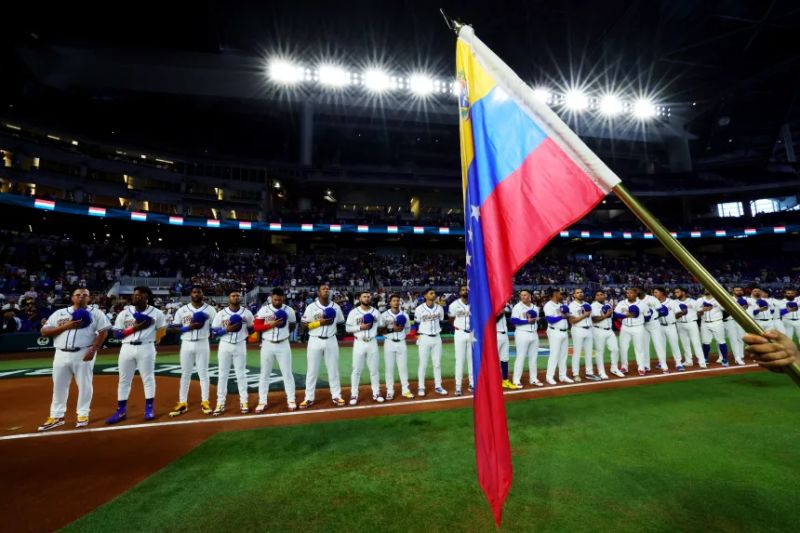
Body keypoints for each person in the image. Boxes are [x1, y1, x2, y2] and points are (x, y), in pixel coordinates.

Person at [37, 288, 111, 431]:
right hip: (60, 353)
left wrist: (93, 349)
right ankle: (56, 416)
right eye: (78, 295)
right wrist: (68, 325)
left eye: (85, 295)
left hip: (83, 352)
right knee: (59, 385)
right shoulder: (60, 313)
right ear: (72, 297)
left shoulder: (96, 313)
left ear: (89, 298)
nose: (81, 297)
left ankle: (83, 414)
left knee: (84, 384)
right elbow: (44, 331)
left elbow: (103, 332)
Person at [106, 286, 167, 424]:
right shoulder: (124, 313)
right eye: (134, 294)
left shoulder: (157, 313)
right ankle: (121, 411)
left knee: (148, 379)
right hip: (126, 347)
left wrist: (154, 339)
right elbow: (116, 334)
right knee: (124, 380)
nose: (134, 297)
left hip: (146, 347)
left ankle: (149, 409)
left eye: (138, 295)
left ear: (146, 297)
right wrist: (136, 328)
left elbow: (162, 331)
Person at [168, 286, 216, 416]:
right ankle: (183, 402)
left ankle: (205, 401)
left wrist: (212, 330)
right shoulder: (182, 310)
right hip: (186, 343)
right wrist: (188, 327)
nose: (196, 294)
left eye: (199, 292)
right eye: (194, 292)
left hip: (202, 343)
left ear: (202, 294)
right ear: (190, 294)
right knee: (185, 373)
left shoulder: (210, 310)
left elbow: (216, 327)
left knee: (203, 373)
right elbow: (173, 328)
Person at [209, 291, 255, 415]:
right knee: (223, 374)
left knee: (241, 374)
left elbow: (252, 329)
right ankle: (220, 403)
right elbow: (213, 333)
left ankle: (244, 401)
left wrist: (247, 334)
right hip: (225, 345)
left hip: (240, 345)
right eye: (233, 296)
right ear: (229, 298)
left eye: (237, 295)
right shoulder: (221, 314)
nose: (235, 297)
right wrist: (227, 329)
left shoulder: (247, 313)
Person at [300, 283, 346, 408]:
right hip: (314, 340)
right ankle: (308, 398)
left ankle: (336, 396)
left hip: (331, 340)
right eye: (323, 289)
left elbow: (342, 324)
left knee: (333, 369)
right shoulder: (311, 307)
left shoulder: (336, 307)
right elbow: (303, 325)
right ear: (318, 293)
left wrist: (338, 334)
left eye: (327, 289)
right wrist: (319, 323)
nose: (326, 290)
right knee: (312, 371)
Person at [253, 287, 298, 412]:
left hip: (283, 344)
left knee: (287, 373)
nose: (277, 302)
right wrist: (270, 325)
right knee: (264, 374)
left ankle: (291, 399)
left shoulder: (289, 310)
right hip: (267, 344)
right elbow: (256, 327)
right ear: (271, 298)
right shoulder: (264, 309)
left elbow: (293, 325)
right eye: (275, 299)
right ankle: (262, 401)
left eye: (279, 299)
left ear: (283, 298)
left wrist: (285, 333)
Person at [346, 291, 383, 405]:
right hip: (359, 342)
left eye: (368, 296)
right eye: (364, 297)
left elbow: (381, 326)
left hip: (372, 342)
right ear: (359, 298)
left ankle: (376, 393)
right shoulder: (353, 312)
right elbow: (348, 329)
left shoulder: (376, 312)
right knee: (356, 370)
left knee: (374, 370)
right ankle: (354, 394)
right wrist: (360, 327)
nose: (367, 298)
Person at [414, 288, 447, 396]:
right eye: (431, 293)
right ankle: (421, 387)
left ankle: (438, 386)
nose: (433, 295)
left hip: (437, 338)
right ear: (425, 296)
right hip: (424, 338)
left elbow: (441, 321)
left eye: (434, 293)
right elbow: (416, 324)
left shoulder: (440, 308)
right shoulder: (419, 309)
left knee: (437, 364)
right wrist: (418, 337)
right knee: (423, 364)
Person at [380, 294, 413, 400]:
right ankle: (390, 390)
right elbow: (380, 331)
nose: (396, 302)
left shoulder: (405, 315)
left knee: (403, 368)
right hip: (389, 342)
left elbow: (407, 330)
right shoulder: (384, 315)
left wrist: (399, 332)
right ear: (390, 302)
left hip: (401, 343)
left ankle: (405, 390)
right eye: (394, 300)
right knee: (389, 368)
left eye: (398, 300)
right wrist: (392, 329)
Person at [510, 289, 543, 387]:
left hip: (534, 333)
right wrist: (527, 321)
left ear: (530, 296)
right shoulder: (517, 307)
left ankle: (533, 378)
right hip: (522, 333)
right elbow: (513, 320)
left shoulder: (535, 307)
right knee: (521, 357)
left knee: (533, 358)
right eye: (521, 295)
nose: (523, 296)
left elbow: (536, 320)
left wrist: (536, 320)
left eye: (525, 295)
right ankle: (516, 380)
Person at [448, 284, 474, 396]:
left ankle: (472, 384)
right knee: (459, 361)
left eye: (466, 289)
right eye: (462, 290)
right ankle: (458, 386)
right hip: (459, 333)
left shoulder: (474, 304)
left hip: (472, 334)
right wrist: (456, 327)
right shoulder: (454, 305)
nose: (464, 291)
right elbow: (450, 319)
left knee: (471, 360)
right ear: (459, 292)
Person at [614, 288, 646, 375]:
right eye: (627, 293)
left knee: (639, 348)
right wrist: (625, 315)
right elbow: (615, 314)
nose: (628, 294)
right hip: (625, 328)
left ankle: (641, 367)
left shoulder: (642, 304)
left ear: (635, 294)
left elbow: (647, 315)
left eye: (631, 293)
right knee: (623, 348)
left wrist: (638, 317)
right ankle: (624, 366)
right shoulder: (621, 303)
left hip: (638, 327)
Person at [653, 287, 685, 371]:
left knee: (674, 345)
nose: (654, 294)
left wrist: (679, 313)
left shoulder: (672, 302)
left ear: (662, 293)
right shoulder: (653, 303)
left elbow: (678, 314)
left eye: (656, 292)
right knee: (660, 346)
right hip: (659, 327)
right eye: (654, 293)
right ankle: (661, 362)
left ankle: (678, 363)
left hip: (671, 326)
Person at [544, 289, 571, 385]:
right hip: (554, 331)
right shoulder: (548, 305)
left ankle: (562, 376)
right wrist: (562, 316)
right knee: (554, 354)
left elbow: (567, 316)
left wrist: (568, 315)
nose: (561, 295)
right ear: (555, 294)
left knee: (563, 355)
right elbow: (550, 319)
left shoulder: (561, 305)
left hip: (564, 332)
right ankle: (549, 377)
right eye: (560, 293)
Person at [568, 288, 595, 382]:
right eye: (577, 292)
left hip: (589, 329)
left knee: (589, 352)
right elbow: (572, 321)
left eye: (581, 292)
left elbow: (591, 318)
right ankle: (575, 374)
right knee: (577, 352)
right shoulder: (571, 306)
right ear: (574, 295)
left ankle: (589, 373)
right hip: (577, 329)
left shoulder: (587, 304)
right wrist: (584, 315)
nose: (580, 294)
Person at [697, 289, 729, 366]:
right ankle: (705, 358)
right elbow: (697, 313)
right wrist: (703, 310)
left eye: (708, 288)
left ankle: (725, 359)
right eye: (705, 289)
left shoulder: (718, 299)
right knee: (705, 342)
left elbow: (726, 309)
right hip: (705, 323)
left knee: (721, 341)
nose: (706, 290)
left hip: (717, 322)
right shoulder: (699, 300)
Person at [674, 287, 704, 368]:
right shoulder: (674, 303)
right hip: (680, 324)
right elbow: (674, 315)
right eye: (675, 292)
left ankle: (702, 361)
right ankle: (688, 361)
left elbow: (700, 311)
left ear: (683, 292)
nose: (675, 294)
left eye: (677, 292)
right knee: (685, 343)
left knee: (696, 342)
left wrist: (694, 315)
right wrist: (680, 313)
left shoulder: (693, 302)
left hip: (692, 323)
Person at [589, 290, 614, 379]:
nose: (600, 296)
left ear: (604, 296)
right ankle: (601, 372)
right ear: (595, 297)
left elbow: (611, 317)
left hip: (610, 330)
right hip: (598, 330)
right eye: (598, 295)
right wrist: (607, 315)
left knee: (615, 350)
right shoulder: (593, 306)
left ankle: (614, 368)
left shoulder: (607, 305)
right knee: (600, 352)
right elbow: (594, 319)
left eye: (601, 295)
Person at [723, 286, 748, 366]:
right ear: (733, 291)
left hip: (740, 321)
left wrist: (744, 307)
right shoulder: (729, 298)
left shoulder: (744, 300)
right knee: (734, 340)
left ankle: (740, 355)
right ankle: (737, 358)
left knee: (741, 338)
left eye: (740, 290)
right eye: (736, 290)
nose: (739, 291)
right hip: (730, 320)